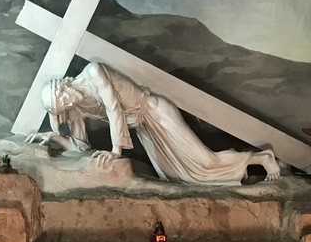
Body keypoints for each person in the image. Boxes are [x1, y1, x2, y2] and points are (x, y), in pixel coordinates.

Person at [26, 61, 281, 185]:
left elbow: (114, 106)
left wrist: (116, 150)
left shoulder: (93, 72)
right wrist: (55, 137)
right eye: (65, 109)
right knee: (178, 178)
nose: (69, 107)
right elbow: (82, 146)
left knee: (205, 161)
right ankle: (245, 171)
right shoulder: (77, 107)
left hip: (156, 112)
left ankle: (263, 158)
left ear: (63, 88)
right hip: (145, 129)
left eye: (65, 103)